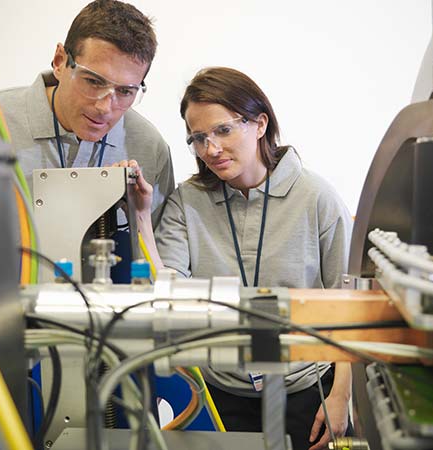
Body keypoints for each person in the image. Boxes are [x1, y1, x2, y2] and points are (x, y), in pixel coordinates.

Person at [121, 67, 354, 450]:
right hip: (219, 394)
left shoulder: (316, 198)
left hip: (306, 389)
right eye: (198, 138)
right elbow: (165, 290)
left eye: (223, 130)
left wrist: (342, 396)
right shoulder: (188, 200)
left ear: (260, 124)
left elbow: (350, 307)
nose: (210, 149)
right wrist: (143, 215)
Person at [0, 0, 174, 220]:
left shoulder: (150, 149)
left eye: (125, 92)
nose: (104, 108)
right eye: (93, 82)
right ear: (59, 61)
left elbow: (156, 254)